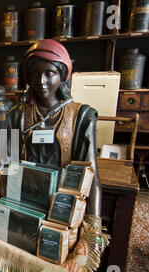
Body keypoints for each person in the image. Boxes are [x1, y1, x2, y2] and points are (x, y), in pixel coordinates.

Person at [11, 39, 102, 219]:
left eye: (50, 73)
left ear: (62, 74)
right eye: (35, 74)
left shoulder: (82, 116)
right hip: (23, 202)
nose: (41, 81)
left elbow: (92, 176)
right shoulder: (17, 115)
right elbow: (5, 161)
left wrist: (94, 225)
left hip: (62, 208)